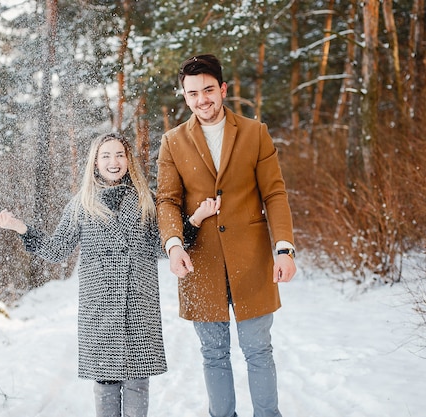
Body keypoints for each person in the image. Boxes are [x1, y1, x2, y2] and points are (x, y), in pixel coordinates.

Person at [0, 132, 217, 417]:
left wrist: (196, 219)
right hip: (100, 308)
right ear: (95, 163)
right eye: (106, 156)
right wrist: (20, 227)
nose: (114, 161)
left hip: (138, 302)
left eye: (120, 155)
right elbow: (57, 250)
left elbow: (162, 246)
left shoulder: (145, 199)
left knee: (138, 380)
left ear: (128, 161)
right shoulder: (81, 203)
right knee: (106, 383)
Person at [156, 54, 297, 417]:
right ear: (184, 96)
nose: (201, 99)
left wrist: (284, 248)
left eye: (207, 90)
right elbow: (167, 201)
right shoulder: (172, 142)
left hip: (252, 260)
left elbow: (274, 194)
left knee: (258, 350)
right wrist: (173, 245)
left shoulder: (255, 132)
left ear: (222, 89)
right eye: (192, 93)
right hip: (199, 262)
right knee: (213, 353)